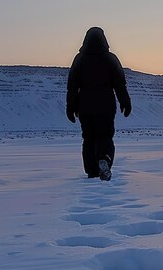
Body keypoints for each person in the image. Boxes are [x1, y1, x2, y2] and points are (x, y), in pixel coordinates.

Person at [66, 27, 131, 181]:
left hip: (85, 108)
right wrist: (125, 102)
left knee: (88, 138)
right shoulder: (110, 58)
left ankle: (91, 170)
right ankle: (105, 159)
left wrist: (70, 107)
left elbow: (72, 86)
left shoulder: (79, 59)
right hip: (106, 107)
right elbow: (120, 84)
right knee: (105, 136)